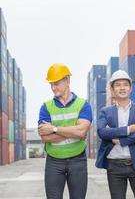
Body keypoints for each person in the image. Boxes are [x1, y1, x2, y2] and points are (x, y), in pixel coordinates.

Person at [38, 63, 92, 199]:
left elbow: (81, 132)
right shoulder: (46, 107)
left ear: (67, 80)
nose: (53, 87)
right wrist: (73, 132)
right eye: (51, 84)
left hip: (77, 159)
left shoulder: (83, 104)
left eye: (56, 83)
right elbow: (45, 137)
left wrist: (54, 129)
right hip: (54, 161)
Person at [95, 70, 135, 199]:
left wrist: (121, 140)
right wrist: (128, 129)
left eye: (125, 84)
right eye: (118, 85)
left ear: (130, 88)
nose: (122, 88)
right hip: (114, 166)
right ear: (112, 89)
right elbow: (102, 132)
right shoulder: (105, 111)